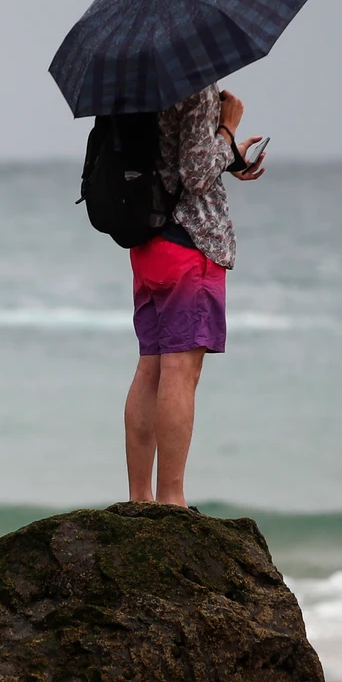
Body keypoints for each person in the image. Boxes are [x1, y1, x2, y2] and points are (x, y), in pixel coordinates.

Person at [122, 85, 265, 507]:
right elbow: (196, 174)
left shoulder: (135, 81)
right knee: (181, 372)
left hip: (146, 240)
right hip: (189, 244)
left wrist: (228, 155)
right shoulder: (194, 84)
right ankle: (172, 499)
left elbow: (169, 159)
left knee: (151, 369)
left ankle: (139, 497)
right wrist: (226, 128)